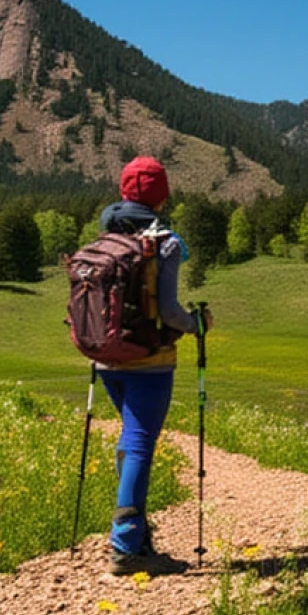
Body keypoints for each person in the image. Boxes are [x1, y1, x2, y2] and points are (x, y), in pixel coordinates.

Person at [95, 156, 208, 576]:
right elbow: (170, 311)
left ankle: (136, 533)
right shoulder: (166, 242)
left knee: (130, 438)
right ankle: (126, 545)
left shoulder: (105, 237)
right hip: (150, 360)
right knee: (140, 441)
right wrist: (198, 325)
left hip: (105, 357)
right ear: (162, 195)